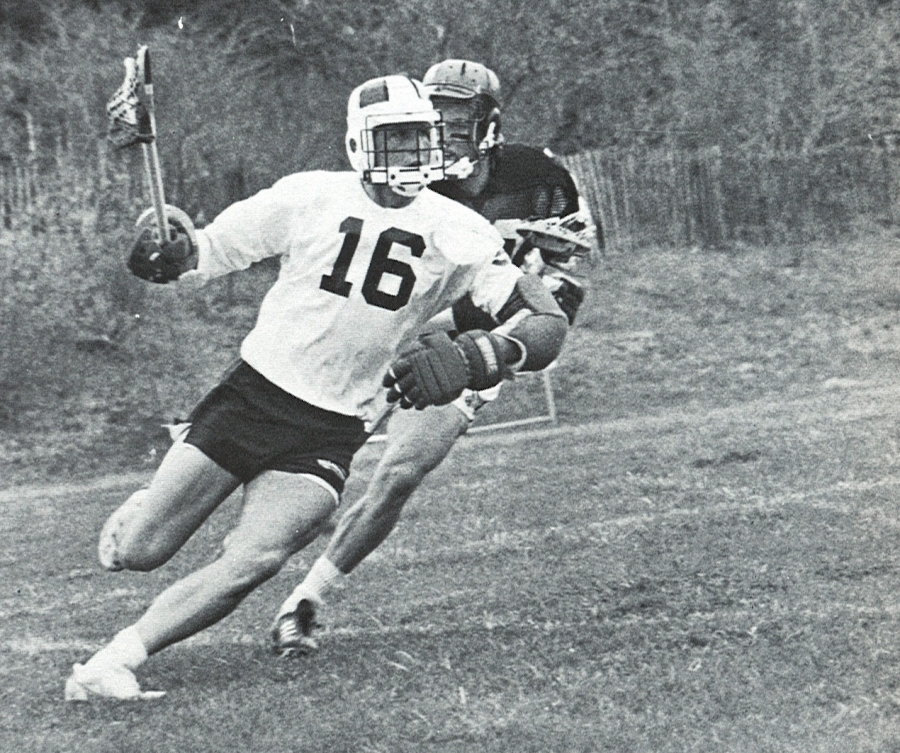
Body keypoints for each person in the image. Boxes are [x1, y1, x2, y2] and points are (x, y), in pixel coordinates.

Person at [64, 73, 569, 701]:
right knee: (139, 553)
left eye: (417, 140)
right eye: (392, 140)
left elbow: (546, 320)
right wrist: (168, 247)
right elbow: (207, 252)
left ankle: (114, 661)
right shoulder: (308, 197)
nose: (407, 156)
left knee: (256, 558)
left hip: (334, 429)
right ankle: (148, 509)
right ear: (358, 144)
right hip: (253, 397)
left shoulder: (459, 230)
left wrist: (486, 355)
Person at [271, 60, 598, 656]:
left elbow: (565, 289)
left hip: (466, 346)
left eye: (455, 116)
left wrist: (488, 345)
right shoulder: (405, 179)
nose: (440, 129)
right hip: (387, 334)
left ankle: (305, 602)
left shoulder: (542, 177)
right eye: (433, 114)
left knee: (401, 472)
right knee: (305, 457)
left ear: (489, 125)